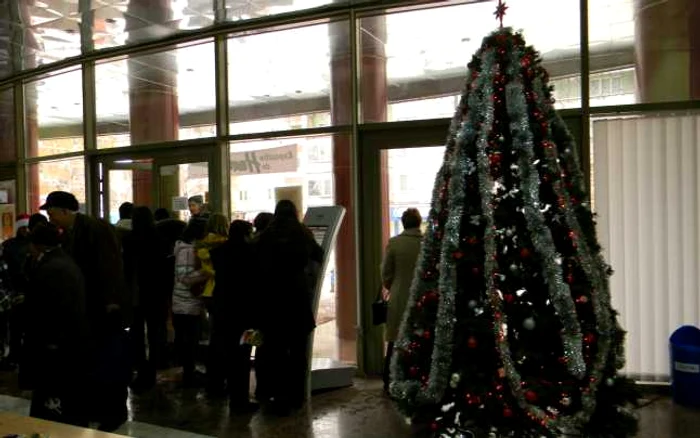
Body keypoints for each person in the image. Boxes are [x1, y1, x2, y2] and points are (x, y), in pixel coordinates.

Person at [40, 191, 130, 432]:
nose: (51, 219)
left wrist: (111, 301)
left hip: (105, 309)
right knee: (95, 363)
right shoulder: (71, 232)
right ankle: (98, 409)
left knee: (109, 361)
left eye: (52, 214)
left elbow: (110, 265)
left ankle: (114, 412)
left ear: (65, 211)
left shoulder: (95, 229)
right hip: (88, 309)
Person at [256, 200, 323, 414]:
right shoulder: (303, 234)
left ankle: (277, 393)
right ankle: (296, 396)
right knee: (297, 351)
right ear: (295, 213)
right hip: (296, 298)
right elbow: (319, 255)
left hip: (271, 300)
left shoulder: (266, 236)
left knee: (274, 349)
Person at [22, 223, 89, 427]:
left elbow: (53, 309)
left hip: (56, 345)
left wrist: (51, 340)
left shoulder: (53, 268)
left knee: (54, 399)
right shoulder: (62, 262)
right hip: (65, 342)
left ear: (38, 245)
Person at [209, 220, 258, 413]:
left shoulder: (218, 252)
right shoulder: (251, 253)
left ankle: (228, 391)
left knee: (227, 352)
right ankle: (240, 401)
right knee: (243, 355)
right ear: (246, 234)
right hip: (246, 315)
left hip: (223, 312)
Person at [381, 208, 423, 393]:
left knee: (395, 340)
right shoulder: (426, 244)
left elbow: (386, 273)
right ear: (419, 223)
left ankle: (388, 380)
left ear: (404, 223)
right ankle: (416, 380)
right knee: (419, 340)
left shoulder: (394, 243)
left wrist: (392, 286)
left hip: (398, 297)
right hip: (422, 298)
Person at [127, 206, 169, 392]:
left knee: (136, 334)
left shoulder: (129, 239)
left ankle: (141, 370)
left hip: (136, 294)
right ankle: (154, 368)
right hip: (156, 293)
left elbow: (127, 269)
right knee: (155, 333)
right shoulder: (159, 239)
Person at [172, 219, 209, 387]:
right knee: (189, 340)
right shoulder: (187, 251)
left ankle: (190, 372)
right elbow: (185, 277)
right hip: (186, 302)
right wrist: (207, 273)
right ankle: (189, 374)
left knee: (189, 340)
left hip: (184, 302)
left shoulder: (185, 248)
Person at [0, 214, 32, 369]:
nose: (25, 231)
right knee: (14, 327)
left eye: (27, 228)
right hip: (12, 290)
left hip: (27, 290)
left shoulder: (33, 245)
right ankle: (14, 355)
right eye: (22, 228)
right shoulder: (9, 245)